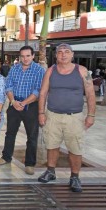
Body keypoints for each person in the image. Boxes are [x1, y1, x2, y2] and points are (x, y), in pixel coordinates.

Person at [37, 43, 96, 192]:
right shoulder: (50, 71)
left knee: (75, 147)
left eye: (67, 52)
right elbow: (43, 93)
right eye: (60, 52)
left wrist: (91, 115)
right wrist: (41, 113)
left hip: (74, 118)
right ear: (56, 55)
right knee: (51, 145)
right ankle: (50, 171)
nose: (63, 54)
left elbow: (90, 94)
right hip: (53, 116)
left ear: (72, 54)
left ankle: (75, 177)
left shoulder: (82, 71)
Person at [0, 46, 45, 176]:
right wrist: (13, 101)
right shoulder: (14, 68)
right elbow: (8, 85)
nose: (25, 58)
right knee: (10, 133)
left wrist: (24, 103)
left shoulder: (39, 70)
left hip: (31, 106)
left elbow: (38, 90)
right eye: (22, 56)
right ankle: (6, 157)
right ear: (19, 57)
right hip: (14, 104)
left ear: (33, 56)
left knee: (32, 136)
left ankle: (29, 164)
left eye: (28, 56)